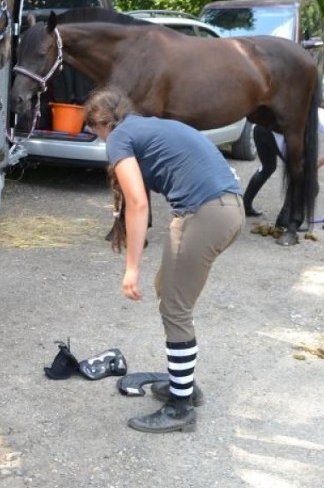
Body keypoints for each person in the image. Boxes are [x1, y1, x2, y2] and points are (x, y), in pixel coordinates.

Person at [85, 86, 244, 434]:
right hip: (229, 208)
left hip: (204, 214)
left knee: (175, 307)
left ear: (101, 123)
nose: (95, 138)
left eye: (91, 130)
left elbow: (138, 203)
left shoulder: (119, 137)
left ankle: (180, 407)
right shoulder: (148, 126)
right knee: (168, 289)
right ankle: (181, 384)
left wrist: (131, 268)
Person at [242, 101, 324, 221]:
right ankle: (285, 219)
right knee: (303, 179)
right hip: (277, 135)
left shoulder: (313, 111)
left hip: (260, 129)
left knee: (267, 168)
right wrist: (315, 166)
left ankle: (245, 206)